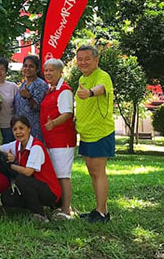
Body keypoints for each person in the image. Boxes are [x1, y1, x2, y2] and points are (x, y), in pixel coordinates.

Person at [75, 45, 115, 223]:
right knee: (92, 172)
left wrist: (90, 93)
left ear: (96, 60)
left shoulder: (102, 76)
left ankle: (102, 213)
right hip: (86, 133)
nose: (82, 62)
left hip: (100, 132)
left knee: (99, 172)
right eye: (80, 59)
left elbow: (101, 88)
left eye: (87, 59)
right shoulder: (82, 78)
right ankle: (100, 209)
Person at [0, 115, 61, 222]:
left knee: (21, 179)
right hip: (33, 186)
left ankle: (40, 214)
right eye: (15, 129)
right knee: (7, 198)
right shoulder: (17, 145)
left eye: (21, 128)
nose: (18, 132)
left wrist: (10, 165)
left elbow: (28, 172)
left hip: (50, 191)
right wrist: (6, 155)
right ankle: (34, 205)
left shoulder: (36, 146)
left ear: (29, 129)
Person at [40, 58, 77, 220]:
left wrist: (53, 123)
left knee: (63, 175)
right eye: (46, 70)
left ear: (60, 72)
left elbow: (67, 113)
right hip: (51, 139)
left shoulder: (64, 91)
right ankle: (60, 206)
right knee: (56, 174)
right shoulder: (51, 89)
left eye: (51, 70)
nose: (48, 73)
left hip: (62, 140)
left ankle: (66, 209)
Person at [13, 55, 47, 142]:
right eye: (25, 66)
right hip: (21, 130)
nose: (27, 68)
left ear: (37, 69)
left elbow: (38, 107)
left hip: (34, 129)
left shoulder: (40, 85)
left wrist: (29, 97)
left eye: (31, 66)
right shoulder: (23, 84)